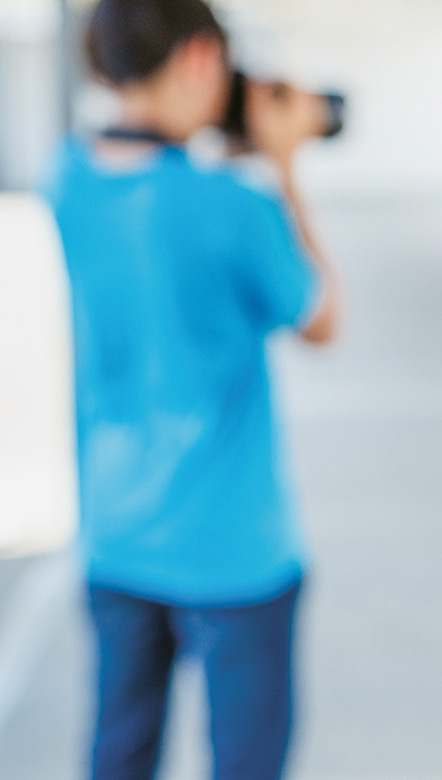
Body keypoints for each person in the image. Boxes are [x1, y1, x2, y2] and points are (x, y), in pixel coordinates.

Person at [41, 1, 339, 778]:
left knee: (120, 754)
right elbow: (319, 317)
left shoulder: (65, 177)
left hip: (116, 531)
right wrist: (284, 164)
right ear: (202, 58)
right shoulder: (236, 205)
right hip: (236, 548)